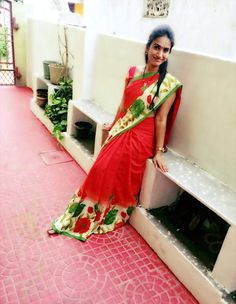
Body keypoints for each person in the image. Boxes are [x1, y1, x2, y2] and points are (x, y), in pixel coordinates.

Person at [48, 25, 182, 241]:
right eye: (156, 47)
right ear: (148, 48)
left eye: (166, 50)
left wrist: (158, 152)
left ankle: (109, 211)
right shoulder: (132, 72)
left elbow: (160, 119)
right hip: (123, 128)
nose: (160, 54)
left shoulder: (168, 85)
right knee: (101, 164)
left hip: (142, 137)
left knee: (115, 167)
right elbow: (124, 104)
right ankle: (83, 211)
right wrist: (114, 123)